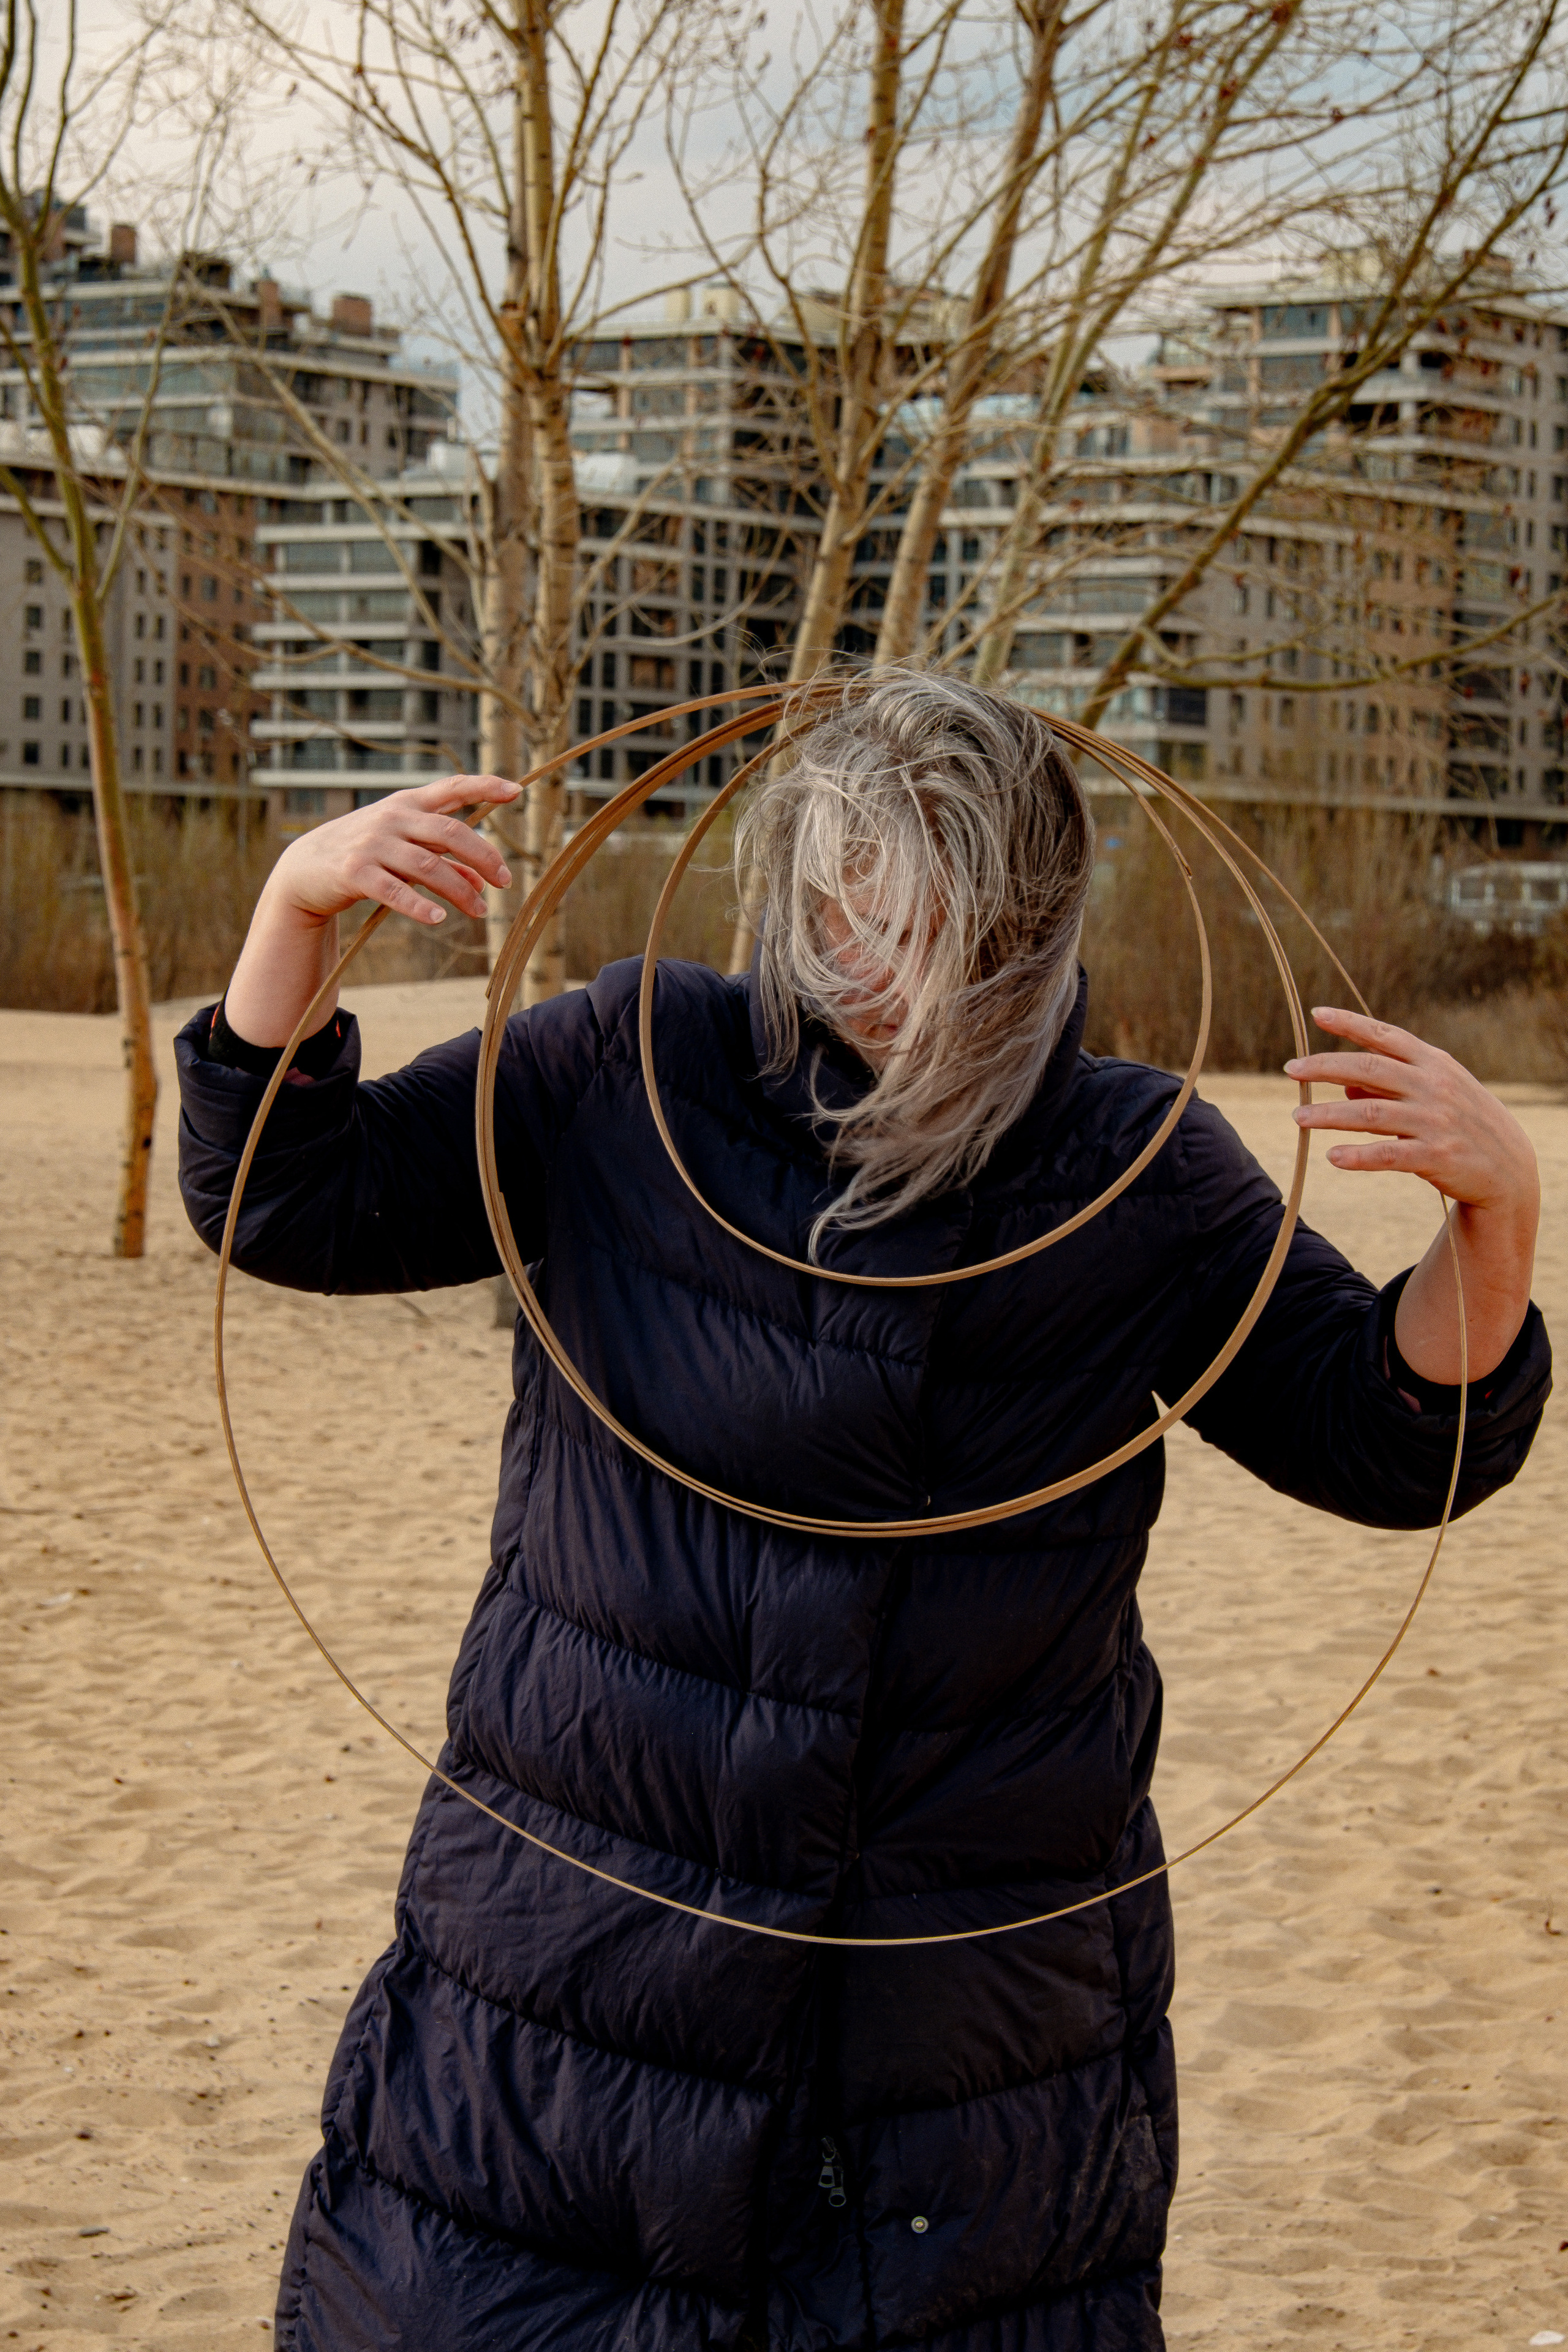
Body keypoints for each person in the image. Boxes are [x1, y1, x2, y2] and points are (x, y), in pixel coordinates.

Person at [176, 671, 1548, 2352]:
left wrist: (1497, 1222)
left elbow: (1394, 1437)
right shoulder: (635, 1067)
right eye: (844, 906)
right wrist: (291, 917)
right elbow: (292, 1198)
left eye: (938, 921)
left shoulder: (1137, 1168)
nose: (879, 973)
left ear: (1031, 918)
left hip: (965, 2028)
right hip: (581, 1961)